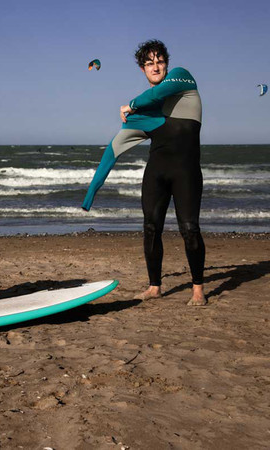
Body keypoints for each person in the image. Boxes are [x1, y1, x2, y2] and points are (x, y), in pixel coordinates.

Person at [82, 39, 206, 306]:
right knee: (150, 228)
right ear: (143, 69)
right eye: (149, 63)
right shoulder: (145, 112)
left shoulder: (183, 80)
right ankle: (154, 286)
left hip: (186, 172)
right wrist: (91, 193)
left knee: (190, 229)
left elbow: (155, 95)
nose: (156, 66)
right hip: (156, 173)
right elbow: (113, 149)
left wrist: (130, 104)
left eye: (160, 61)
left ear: (167, 64)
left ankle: (198, 289)